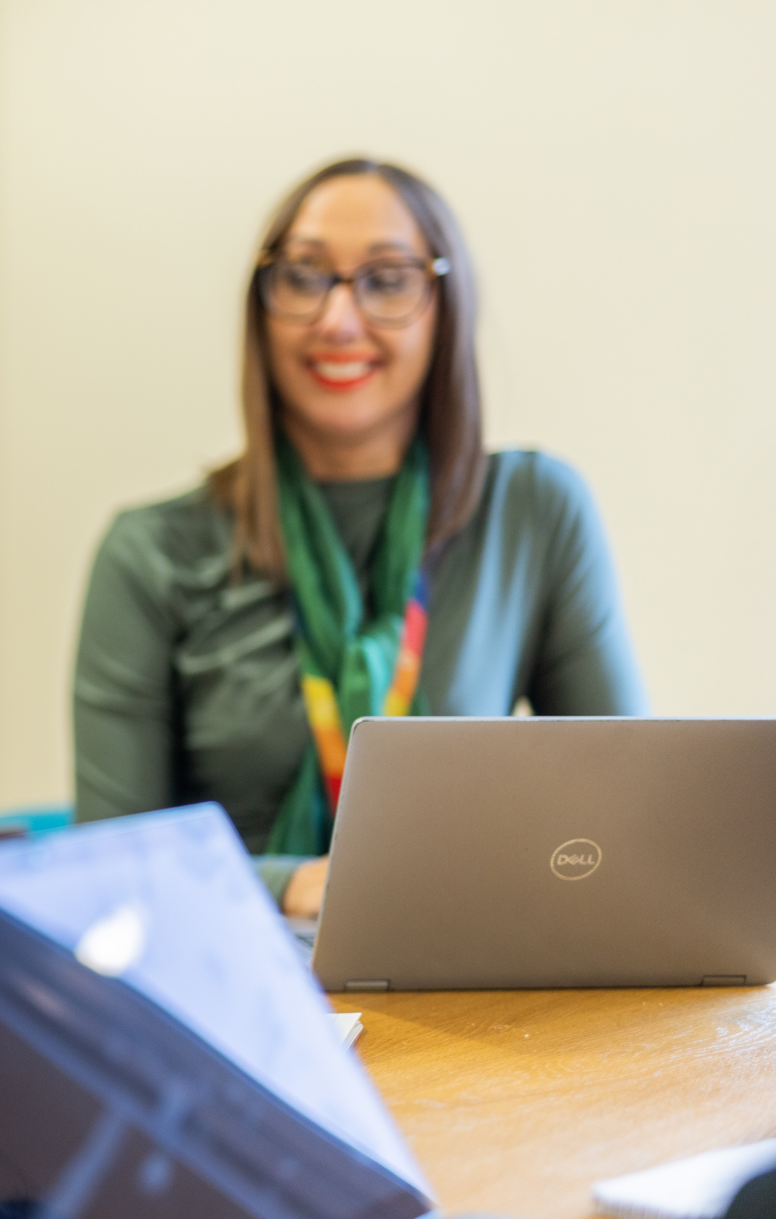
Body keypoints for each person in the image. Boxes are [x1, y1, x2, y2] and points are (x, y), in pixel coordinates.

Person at [71, 158, 646, 917]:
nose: (338, 319)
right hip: (237, 987)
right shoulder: (149, 551)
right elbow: (109, 869)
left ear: (444, 305)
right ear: (262, 306)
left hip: (468, 983)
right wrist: (295, 885)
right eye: (304, 276)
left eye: (386, 278)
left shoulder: (532, 510)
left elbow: (628, 827)